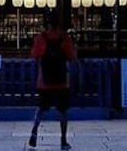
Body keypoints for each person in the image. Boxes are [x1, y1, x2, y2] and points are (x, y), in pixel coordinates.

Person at [28, 11, 76, 150]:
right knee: (63, 111)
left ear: (46, 23)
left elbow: (35, 55)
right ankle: (63, 139)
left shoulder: (41, 38)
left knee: (41, 108)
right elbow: (71, 56)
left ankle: (35, 130)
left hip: (44, 81)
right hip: (61, 81)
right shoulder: (64, 38)